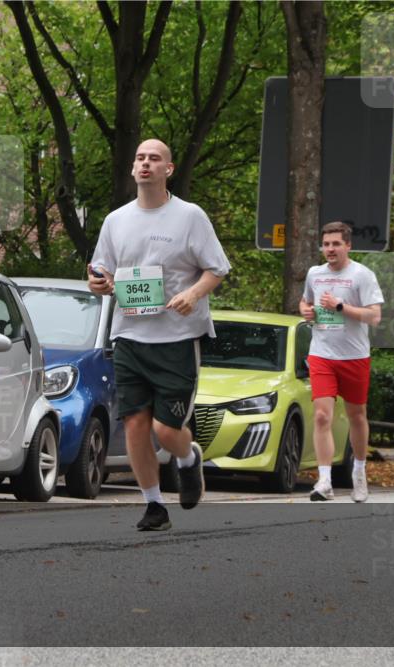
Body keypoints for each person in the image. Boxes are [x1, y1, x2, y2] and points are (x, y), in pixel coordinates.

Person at [88, 139, 230, 531]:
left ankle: (187, 458)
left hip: (177, 339)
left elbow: (217, 268)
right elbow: (100, 270)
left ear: (168, 169)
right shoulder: (116, 220)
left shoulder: (189, 216)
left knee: (165, 430)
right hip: (129, 336)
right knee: (135, 424)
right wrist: (98, 282)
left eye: (154, 158)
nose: (145, 163)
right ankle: (153, 505)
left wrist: (193, 294)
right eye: (140, 157)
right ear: (133, 168)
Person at [299, 221, 383, 502]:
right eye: (326, 244)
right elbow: (305, 302)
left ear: (348, 245)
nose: (330, 249)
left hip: (354, 356)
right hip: (322, 354)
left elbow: (374, 316)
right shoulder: (314, 273)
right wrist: (307, 311)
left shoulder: (362, 275)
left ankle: (359, 471)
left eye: (336, 244)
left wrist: (339, 306)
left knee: (357, 415)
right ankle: (324, 481)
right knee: (322, 415)